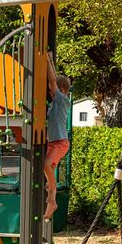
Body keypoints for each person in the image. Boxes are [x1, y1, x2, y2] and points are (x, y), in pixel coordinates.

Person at [44, 55, 71, 219]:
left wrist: (47, 60)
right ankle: (50, 206)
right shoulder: (56, 102)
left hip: (60, 143)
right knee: (49, 171)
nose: (49, 92)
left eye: (51, 89)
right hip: (54, 143)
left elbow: (53, 81)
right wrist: (52, 61)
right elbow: (55, 80)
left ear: (61, 90)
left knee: (46, 165)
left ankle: (52, 192)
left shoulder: (62, 100)